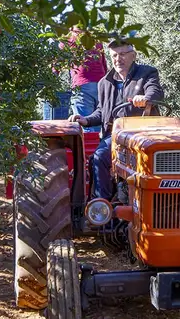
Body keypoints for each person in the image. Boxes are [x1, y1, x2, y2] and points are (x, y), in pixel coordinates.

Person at [69, 38, 164, 200]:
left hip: (142, 133)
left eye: (122, 54)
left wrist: (145, 99)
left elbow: (155, 92)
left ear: (133, 55)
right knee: (98, 158)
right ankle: (103, 208)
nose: (118, 59)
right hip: (116, 135)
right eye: (114, 56)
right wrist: (86, 120)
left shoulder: (147, 73)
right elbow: (102, 111)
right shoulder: (104, 82)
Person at [65, 28, 107, 134]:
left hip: (82, 84)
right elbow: (103, 61)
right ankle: (100, 148)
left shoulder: (69, 37)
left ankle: (89, 150)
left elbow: (58, 61)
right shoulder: (95, 38)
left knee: (85, 125)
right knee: (98, 121)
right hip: (100, 83)